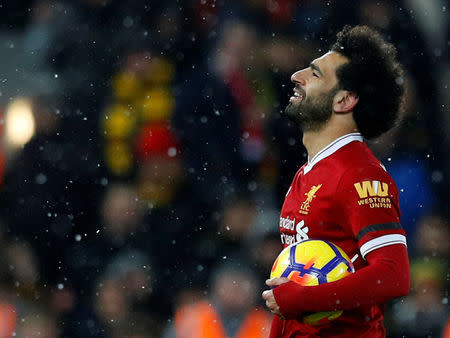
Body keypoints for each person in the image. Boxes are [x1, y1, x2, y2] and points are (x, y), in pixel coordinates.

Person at [262, 25, 410, 337]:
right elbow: (289, 297)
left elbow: (394, 275)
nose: (296, 75)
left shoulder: (359, 174)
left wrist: (302, 299)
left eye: (314, 74)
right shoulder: (308, 172)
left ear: (344, 100)